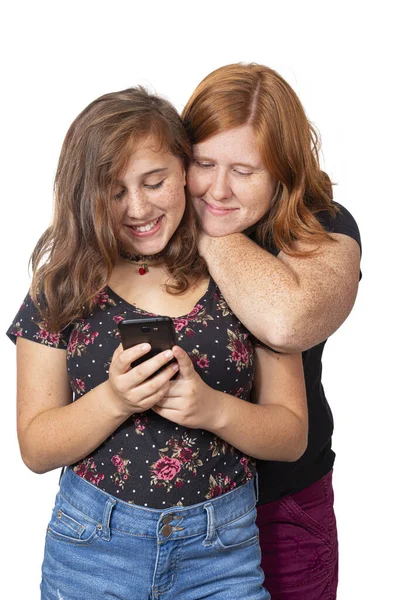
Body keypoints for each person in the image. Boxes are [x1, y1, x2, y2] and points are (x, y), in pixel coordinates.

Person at [7, 86, 308, 600]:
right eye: (115, 190)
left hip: (222, 553)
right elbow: (36, 447)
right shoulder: (62, 286)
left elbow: (291, 434)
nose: (138, 207)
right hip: (92, 550)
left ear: (185, 169)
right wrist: (114, 400)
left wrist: (212, 408)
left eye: (155, 181)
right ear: (84, 192)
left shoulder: (241, 277)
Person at [182, 62, 362, 600]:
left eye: (243, 170)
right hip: (172, 514)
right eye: (202, 163)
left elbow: (288, 321)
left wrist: (206, 229)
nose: (218, 188)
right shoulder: (155, 221)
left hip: (279, 509)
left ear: (283, 171)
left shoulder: (325, 226)